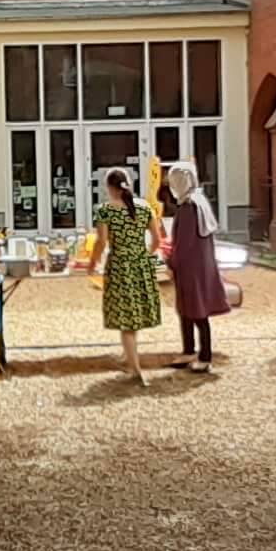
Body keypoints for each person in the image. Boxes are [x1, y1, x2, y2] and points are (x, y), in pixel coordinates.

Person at [93, 167, 163, 385]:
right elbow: (157, 240)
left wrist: (92, 263)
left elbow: (101, 242)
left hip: (120, 266)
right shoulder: (144, 207)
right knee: (135, 315)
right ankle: (130, 356)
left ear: (109, 187)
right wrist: (143, 255)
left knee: (126, 321)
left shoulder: (106, 210)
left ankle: (135, 368)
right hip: (141, 264)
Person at [163, 161, 227, 374]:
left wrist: (171, 262)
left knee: (197, 311)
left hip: (191, 267)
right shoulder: (197, 202)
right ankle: (189, 349)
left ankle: (205, 355)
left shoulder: (190, 206)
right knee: (188, 310)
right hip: (199, 264)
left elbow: (184, 242)